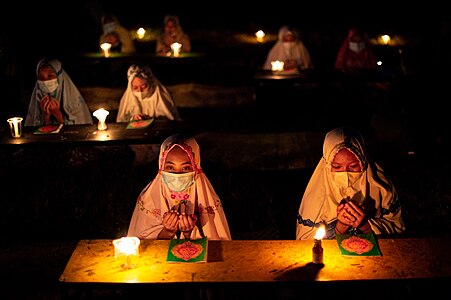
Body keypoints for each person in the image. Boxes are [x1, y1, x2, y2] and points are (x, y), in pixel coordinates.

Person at [296, 126, 405, 240]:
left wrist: (365, 225)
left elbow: (398, 231)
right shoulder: (315, 197)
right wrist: (340, 227)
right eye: (337, 167)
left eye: (353, 166)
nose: (346, 174)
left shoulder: (382, 188)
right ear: (327, 165)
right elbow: (306, 243)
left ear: (363, 161)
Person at [127, 133, 232, 240]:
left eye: (185, 168)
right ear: (161, 166)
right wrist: (167, 232)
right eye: (170, 167)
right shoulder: (149, 199)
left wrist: (188, 233)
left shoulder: (207, 199)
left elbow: (215, 241)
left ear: (196, 167)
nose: (177, 175)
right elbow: (142, 243)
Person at [25, 58, 93, 126]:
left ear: (60, 77)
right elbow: (36, 131)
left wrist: (58, 115)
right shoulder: (38, 100)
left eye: (50, 76)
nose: (45, 82)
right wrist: (46, 117)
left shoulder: (74, 103)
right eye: (41, 78)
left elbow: (78, 131)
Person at [116, 64, 181, 122]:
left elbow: (170, 120)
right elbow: (121, 120)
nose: (140, 91)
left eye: (144, 86)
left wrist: (150, 120)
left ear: (150, 83)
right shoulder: (128, 99)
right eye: (135, 88)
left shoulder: (160, 96)